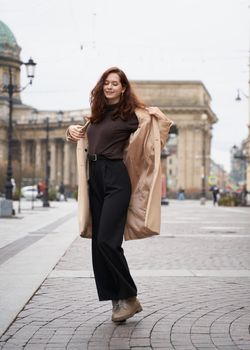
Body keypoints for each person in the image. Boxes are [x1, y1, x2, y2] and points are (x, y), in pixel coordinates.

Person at [66, 67, 173, 322]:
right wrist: (70, 131)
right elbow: (85, 138)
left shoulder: (132, 116)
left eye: (115, 83)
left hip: (116, 179)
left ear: (123, 88)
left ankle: (130, 296)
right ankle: (117, 300)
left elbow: (156, 138)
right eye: (106, 82)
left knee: (107, 241)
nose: (110, 86)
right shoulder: (96, 116)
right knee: (97, 244)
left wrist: (163, 119)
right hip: (96, 179)